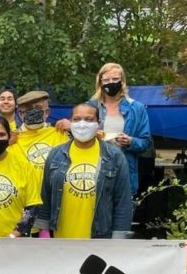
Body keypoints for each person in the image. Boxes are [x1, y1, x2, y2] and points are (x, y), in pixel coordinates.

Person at [34, 103, 133, 239]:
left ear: (98, 123)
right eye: (76, 119)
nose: (82, 124)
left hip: (100, 238)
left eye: (88, 119)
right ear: (70, 121)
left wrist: (119, 238)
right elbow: (46, 195)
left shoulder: (114, 157)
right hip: (61, 240)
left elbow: (123, 202)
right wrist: (43, 230)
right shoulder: (55, 154)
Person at [88, 63, 152, 196]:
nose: (110, 83)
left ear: (122, 81)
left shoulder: (137, 108)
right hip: (93, 171)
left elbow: (146, 143)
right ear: (100, 83)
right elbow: (79, 134)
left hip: (125, 172)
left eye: (115, 79)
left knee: (123, 215)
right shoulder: (90, 106)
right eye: (106, 80)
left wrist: (130, 141)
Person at [10, 90, 68, 179]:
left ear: (47, 112)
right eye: (28, 109)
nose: (33, 112)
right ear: (20, 113)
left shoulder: (60, 132)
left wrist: (74, 128)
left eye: (38, 108)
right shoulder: (12, 138)